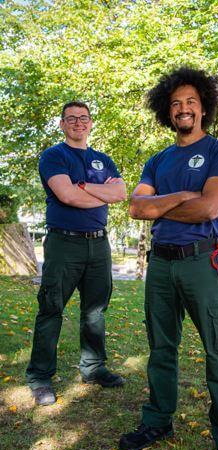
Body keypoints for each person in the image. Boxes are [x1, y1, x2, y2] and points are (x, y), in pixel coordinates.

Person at [118, 67, 218, 450]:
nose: (183, 108)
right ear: (166, 111)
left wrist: (161, 204)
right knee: (161, 347)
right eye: (176, 103)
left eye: (191, 101)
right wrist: (183, 197)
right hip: (161, 264)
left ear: (203, 107)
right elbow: (136, 208)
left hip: (201, 262)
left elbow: (210, 208)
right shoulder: (157, 159)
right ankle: (158, 420)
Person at [26, 101, 127, 406]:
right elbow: (66, 195)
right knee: (51, 308)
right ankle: (40, 377)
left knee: (95, 311)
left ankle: (93, 368)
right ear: (62, 124)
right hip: (63, 243)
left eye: (83, 118)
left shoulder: (103, 159)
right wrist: (97, 191)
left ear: (91, 123)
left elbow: (120, 194)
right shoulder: (54, 155)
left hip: (98, 244)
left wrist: (82, 186)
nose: (78, 123)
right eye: (71, 119)